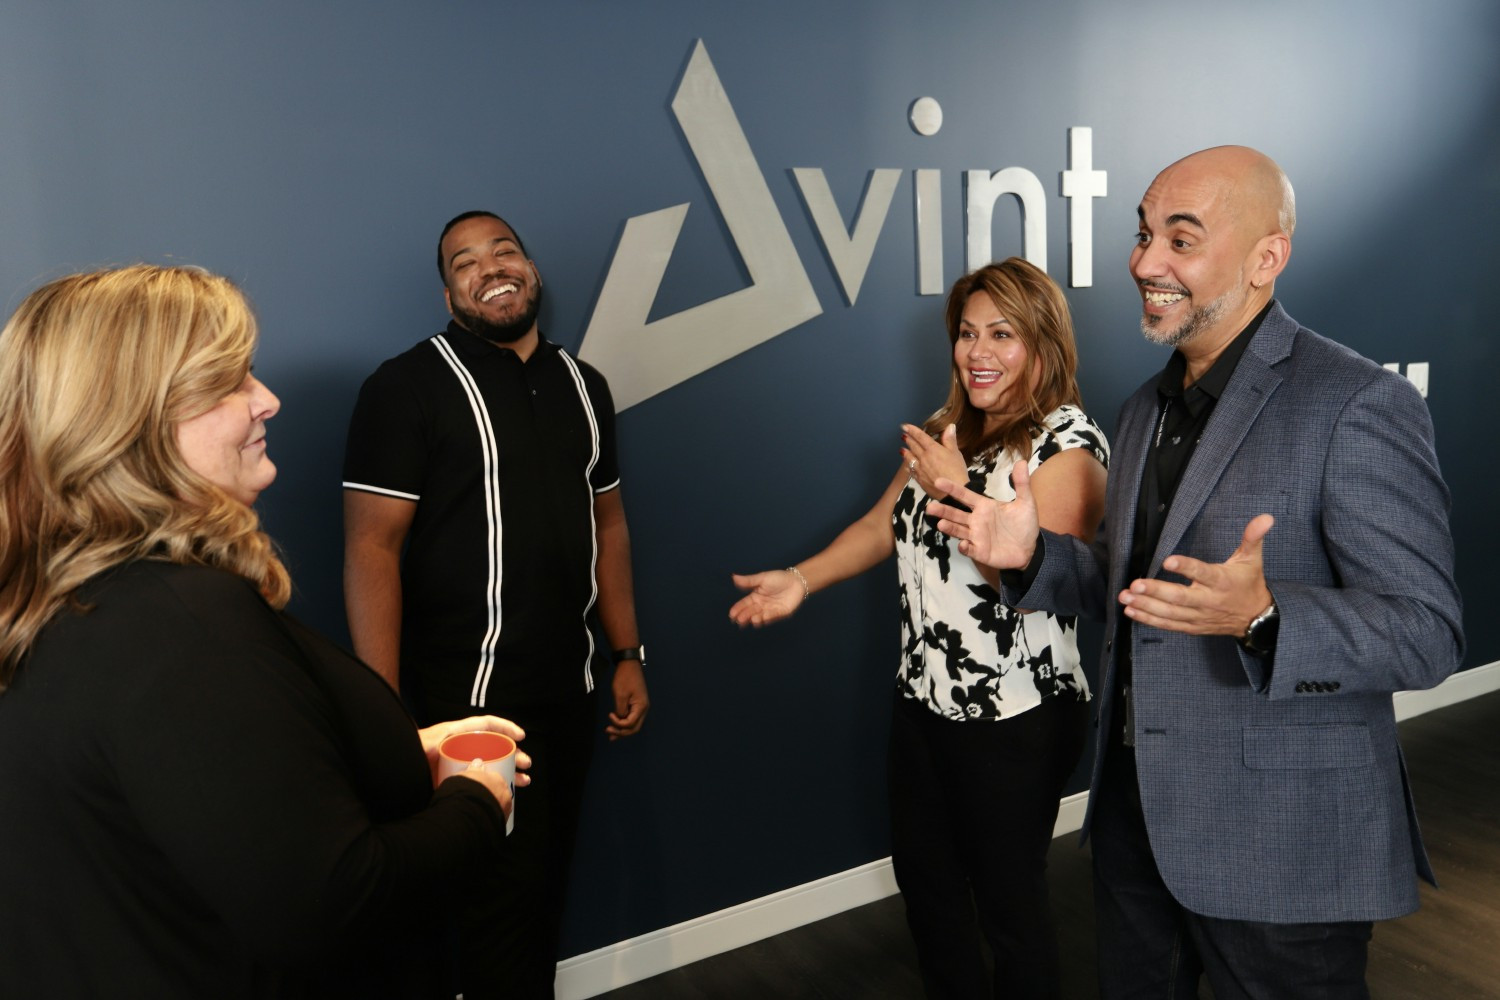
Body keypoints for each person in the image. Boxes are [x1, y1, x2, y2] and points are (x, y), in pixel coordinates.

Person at [927, 146, 1464, 999]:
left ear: (1265, 259)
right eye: (1143, 236)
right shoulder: (1145, 407)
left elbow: (1427, 633)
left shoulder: (1357, 401)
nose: (1144, 263)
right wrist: (1029, 555)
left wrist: (1265, 616)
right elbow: (1129, 587)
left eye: (1181, 239)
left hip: (1280, 845)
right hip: (1137, 820)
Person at [0, 265, 530, 999]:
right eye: (231, 382)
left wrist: (402, 753)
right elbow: (336, 907)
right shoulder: (182, 625)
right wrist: (475, 796)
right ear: (130, 419)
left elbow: (204, 798)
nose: (267, 400)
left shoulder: (76, 597)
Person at [730, 258, 1109, 999]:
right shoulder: (944, 431)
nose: (978, 352)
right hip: (924, 704)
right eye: (967, 333)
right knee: (930, 893)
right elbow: (880, 528)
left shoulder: (1070, 443)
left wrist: (952, 486)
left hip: (1017, 717)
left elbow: (1040, 582)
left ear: (1043, 343)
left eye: (1002, 334)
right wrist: (802, 578)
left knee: (1011, 908)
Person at [342, 210, 649, 998]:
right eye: (466, 262)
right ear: (450, 294)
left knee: (543, 892)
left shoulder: (586, 386)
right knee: (485, 912)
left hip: (571, 696)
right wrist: (386, 718)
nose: (491, 266)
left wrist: (627, 654)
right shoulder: (405, 386)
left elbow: (607, 526)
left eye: (504, 250)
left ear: (532, 268)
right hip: (469, 709)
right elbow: (371, 550)